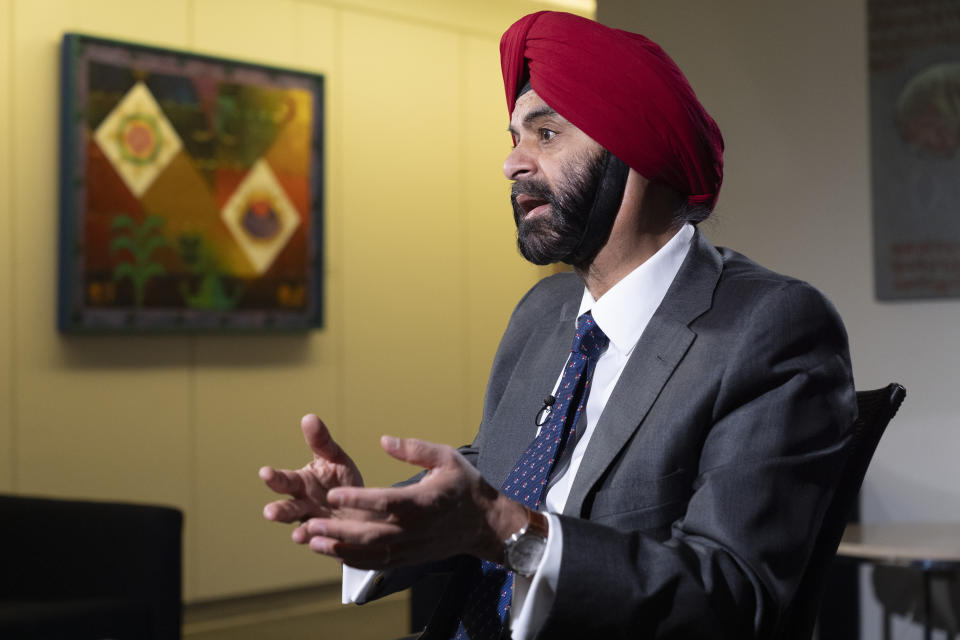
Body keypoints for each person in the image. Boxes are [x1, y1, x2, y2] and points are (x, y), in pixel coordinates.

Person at [260, 11, 856, 640]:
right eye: (514, 137)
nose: (512, 164)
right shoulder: (542, 313)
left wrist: (506, 531)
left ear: (632, 153)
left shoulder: (769, 329)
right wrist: (379, 515)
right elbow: (499, 470)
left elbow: (733, 596)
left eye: (545, 134)